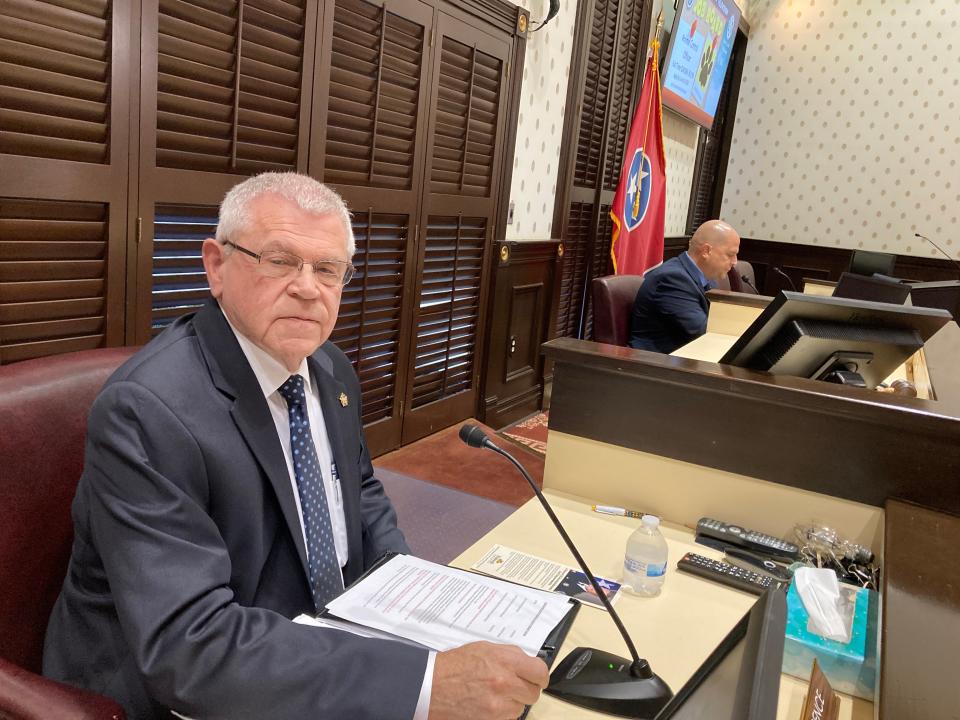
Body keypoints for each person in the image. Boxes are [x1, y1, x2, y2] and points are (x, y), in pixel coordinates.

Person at [43, 173, 547, 720]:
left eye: (328, 269)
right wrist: (422, 682)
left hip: (310, 639)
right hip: (179, 688)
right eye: (279, 260)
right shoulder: (148, 411)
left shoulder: (329, 367)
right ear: (216, 265)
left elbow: (359, 492)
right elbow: (188, 646)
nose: (308, 288)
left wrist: (410, 599)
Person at [628, 220, 741, 353]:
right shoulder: (672, 279)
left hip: (685, 357)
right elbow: (703, 331)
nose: (735, 262)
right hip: (655, 364)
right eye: (730, 254)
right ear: (706, 251)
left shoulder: (706, 279)